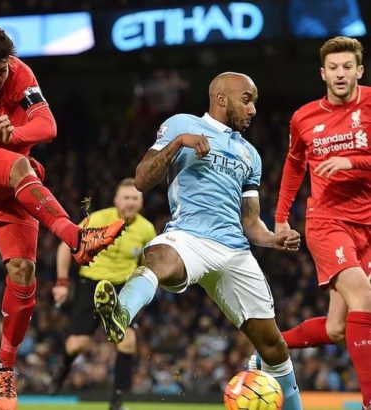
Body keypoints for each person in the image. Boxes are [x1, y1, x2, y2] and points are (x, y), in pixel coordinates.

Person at [0, 24, 125, 409]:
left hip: (13, 180)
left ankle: (3, 366)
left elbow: (47, 126)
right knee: (23, 167)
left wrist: (12, 137)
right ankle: (76, 237)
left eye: (0, 71)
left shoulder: (19, 73)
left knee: (23, 273)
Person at [94, 72, 304, 410]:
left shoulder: (251, 155)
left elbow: (250, 220)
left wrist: (272, 239)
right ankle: (121, 312)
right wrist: (179, 144)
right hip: (190, 237)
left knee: (274, 349)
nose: (253, 110)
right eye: (247, 100)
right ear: (221, 99)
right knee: (158, 257)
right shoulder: (180, 125)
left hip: (235, 252)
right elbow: (142, 179)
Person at [271, 36, 371, 409]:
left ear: (359, 70)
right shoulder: (304, 117)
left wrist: (352, 162)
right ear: (323, 73)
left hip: (368, 226)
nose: (341, 73)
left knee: (337, 330)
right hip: (327, 222)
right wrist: (281, 218)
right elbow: (295, 165)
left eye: (347, 66)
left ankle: (268, 345)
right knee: (363, 295)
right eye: (334, 67)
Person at [51, 178, 155, 410]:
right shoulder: (98, 219)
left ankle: (116, 402)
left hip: (122, 288)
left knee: (128, 342)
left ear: (141, 202)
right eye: (126, 197)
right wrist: (61, 282)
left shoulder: (146, 229)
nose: (130, 202)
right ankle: (63, 369)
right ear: (116, 200)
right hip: (91, 284)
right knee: (76, 345)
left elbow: (147, 264)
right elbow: (65, 246)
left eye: (134, 198)